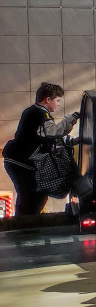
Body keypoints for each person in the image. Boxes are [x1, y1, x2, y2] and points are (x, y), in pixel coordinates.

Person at [3, 83, 80, 216]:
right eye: (57, 100)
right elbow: (53, 132)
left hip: (17, 160)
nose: (59, 104)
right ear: (47, 99)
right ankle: (26, 223)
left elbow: (44, 137)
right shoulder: (39, 114)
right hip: (20, 161)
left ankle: (27, 221)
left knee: (34, 194)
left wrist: (71, 141)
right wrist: (71, 119)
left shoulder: (35, 112)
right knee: (31, 194)